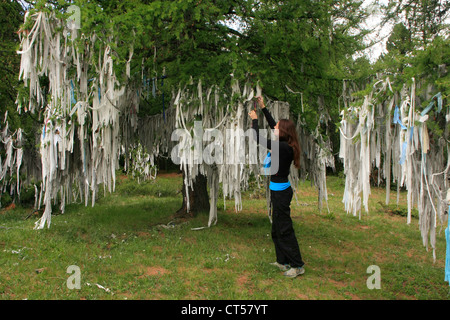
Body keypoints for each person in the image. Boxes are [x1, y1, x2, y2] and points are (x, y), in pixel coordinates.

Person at [249, 96, 305, 278]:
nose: (274, 128)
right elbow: (274, 125)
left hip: (281, 192)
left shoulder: (282, 148)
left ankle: (297, 265)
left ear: (283, 132)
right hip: (277, 189)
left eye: (277, 127)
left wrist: (254, 120)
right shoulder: (284, 144)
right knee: (276, 228)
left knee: (284, 228)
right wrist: (264, 107)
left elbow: (257, 137)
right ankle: (282, 261)